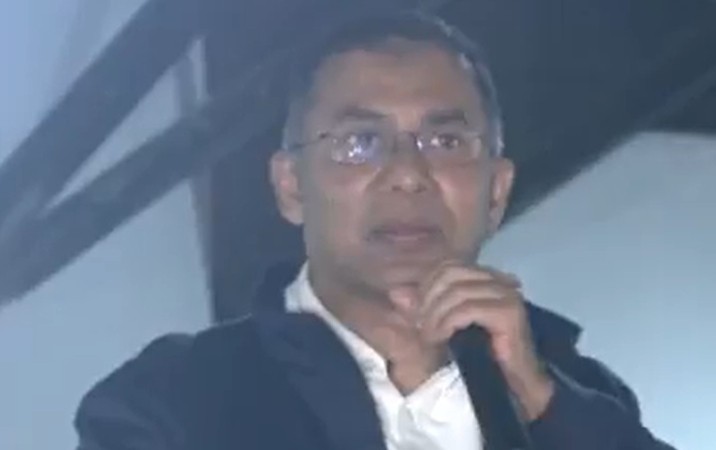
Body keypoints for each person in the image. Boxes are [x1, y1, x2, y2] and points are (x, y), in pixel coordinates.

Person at [75, 10, 675, 450]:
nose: (408, 175)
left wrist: (543, 402)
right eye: (359, 142)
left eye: (446, 141)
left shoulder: (572, 394)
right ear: (290, 186)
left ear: (496, 192)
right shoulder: (173, 400)